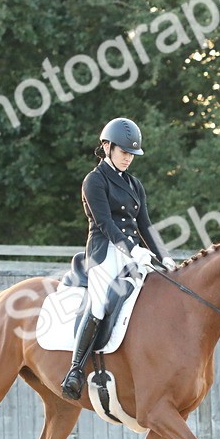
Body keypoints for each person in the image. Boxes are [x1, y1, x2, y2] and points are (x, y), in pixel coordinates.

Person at [60, 117, 178, 400]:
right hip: (105, 253)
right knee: (100, 304)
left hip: (133, 252)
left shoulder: (134, 184)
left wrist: (164, 257)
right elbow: (104, 223)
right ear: (107, 147)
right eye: (124, 152)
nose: (128, 158)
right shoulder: (94, 180)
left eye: (132, 154)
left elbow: (145, 225)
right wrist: (133, 249)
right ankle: (75, 370)